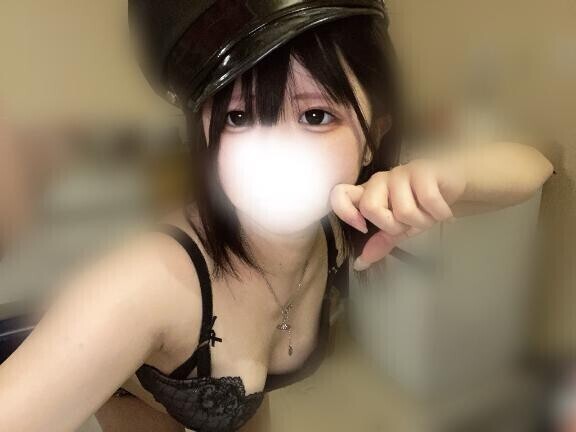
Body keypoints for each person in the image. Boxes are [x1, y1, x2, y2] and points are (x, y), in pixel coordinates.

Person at [0, 1, 553, 431]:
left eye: (316, 116)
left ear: (373, 136)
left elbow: (535, 167)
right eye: (239, 117)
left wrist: (450, 178)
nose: (276, 155)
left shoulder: (345, 217)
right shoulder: (146, 283)